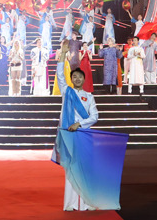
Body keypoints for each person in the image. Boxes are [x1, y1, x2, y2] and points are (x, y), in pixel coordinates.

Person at [57, 66, 100, 210]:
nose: (77, 79)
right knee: (71, 168)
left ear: (84, 79)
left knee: (86, 168)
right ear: (71, 79)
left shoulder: (89, 96)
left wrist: (79, 124)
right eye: (74, 76)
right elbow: (59, 75)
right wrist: (62, 56)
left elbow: (95, 116)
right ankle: (70, 203)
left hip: (84, 134)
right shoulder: (66, 91)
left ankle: (88, 202)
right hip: (69, 135)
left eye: (80, 76)